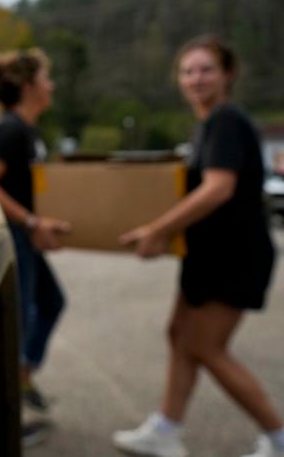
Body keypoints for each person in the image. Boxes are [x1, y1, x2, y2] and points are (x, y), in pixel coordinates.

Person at [114, 35, 284, 457]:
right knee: (179, 335)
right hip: (209, 253)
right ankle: (165, 431)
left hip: (235, 255)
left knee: (207, 347)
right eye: (188, 70)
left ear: (228, 75)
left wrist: (158, 229)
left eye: (206, 69)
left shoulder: (226, 120)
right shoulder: (208, 125)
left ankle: (279, 438)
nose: (196, 78)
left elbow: (218, 189)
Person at [0, 48, 71, 417]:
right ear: (29, 86)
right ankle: (6, 418)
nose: (52, 85)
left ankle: (22, 377)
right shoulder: (8, 129)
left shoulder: (26, 130)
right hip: (13, 236)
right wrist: (30, 222)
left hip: (25, 235)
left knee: (50, 303)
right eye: (46, 78)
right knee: (16, 325)